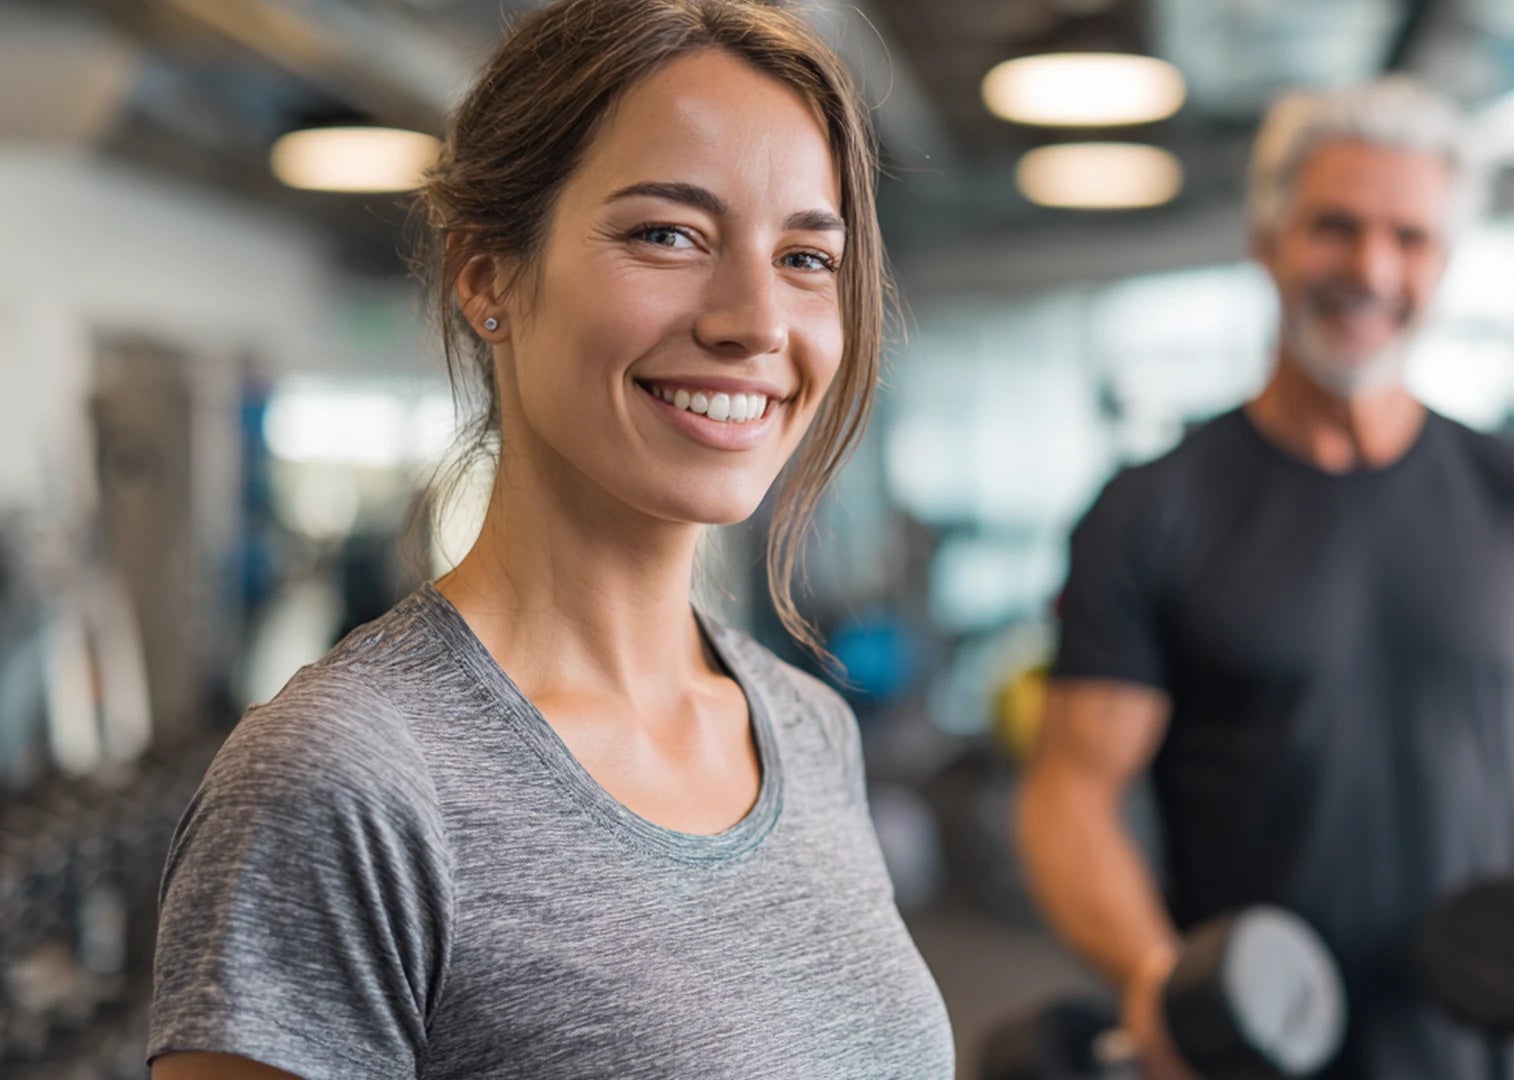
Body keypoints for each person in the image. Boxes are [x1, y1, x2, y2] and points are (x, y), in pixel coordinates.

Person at [147, 2, 953, 1076]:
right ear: (487, 274)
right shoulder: (348, 783)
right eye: (669, 234)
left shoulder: (810, 734)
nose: (756, 320)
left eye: (807, 256)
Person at [1015, 78, 1514, 1080]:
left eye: (1411, 238)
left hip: (1495, 1052)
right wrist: (1152, 977)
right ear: (1268, 240)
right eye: (1334, 228)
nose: (1372, 268)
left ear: (1447, 261)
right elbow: (1069, 795)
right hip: (1251, 1052)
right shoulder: (1152, 510)